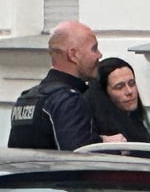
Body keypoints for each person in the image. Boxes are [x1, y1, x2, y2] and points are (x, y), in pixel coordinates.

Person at [7, 20, 105, 151]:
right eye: (94, 48)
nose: (99, 55)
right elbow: (79, 158)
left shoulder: (26, 99)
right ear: (73, 55)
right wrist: (108, 145)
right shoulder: (68, 100)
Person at [84, 57, 150, 146]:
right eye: (119, 87)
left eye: (132, 83)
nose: (129, 91)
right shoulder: (102, 136)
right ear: (105, 94)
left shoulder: (141, 121)